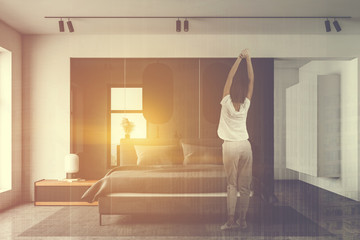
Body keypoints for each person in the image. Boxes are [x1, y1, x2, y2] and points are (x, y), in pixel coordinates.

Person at [217, 49, 254, 230]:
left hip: (230, 146)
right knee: (245, 186)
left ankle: (231, 221)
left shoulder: (226, 102)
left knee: (232, 184)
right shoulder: (246, 105)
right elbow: (251, 80)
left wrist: (239, 59)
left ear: (231, 91)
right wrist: (248, 59)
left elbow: (229, 78)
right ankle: (243, 220)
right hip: (245, 146)